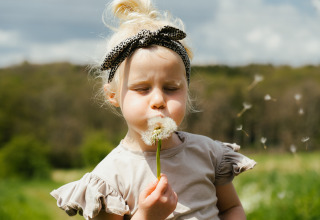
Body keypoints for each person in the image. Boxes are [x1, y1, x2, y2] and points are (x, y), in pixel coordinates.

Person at [50, 0, 256, 219]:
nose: (158, 100)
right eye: (142, 89)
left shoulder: (208, 153)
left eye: (171, 88)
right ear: (112, 95)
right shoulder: (110, 177)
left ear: (187, 91)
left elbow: (231, 208)